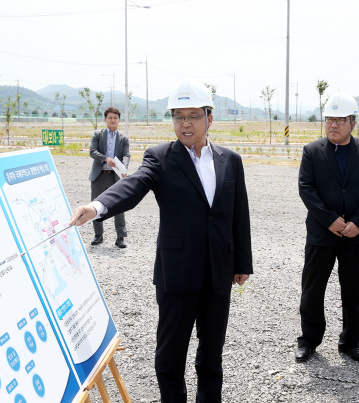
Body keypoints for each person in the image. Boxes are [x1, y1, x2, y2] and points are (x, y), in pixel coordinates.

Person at [70, 78, 253, 403]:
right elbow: (134, 184)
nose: (185, 123)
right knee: (170, 358)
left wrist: (242, 263)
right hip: (177, 274)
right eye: (178, 116)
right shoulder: (161, 157)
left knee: (211, 358)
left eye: (193, 115)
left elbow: (239, 214)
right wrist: (97, 206)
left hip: (218, 273)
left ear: (209, 118)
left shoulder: (230, 160)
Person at [295, 92, 359, 363]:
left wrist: (358, 222)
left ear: (352, 123)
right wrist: (329, 219)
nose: (333, 125)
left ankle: (351, 342)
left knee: (353, 292)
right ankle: (309, 340)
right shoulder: (312, 151)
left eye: (340, 120)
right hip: (322, 233)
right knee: (312, 290)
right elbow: (306, 189)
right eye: (330, 119)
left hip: (355, 235)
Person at [88, 106, 130, 248]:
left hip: (115, 177)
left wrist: (124, 167)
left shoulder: (123, 138)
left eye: (115, 118)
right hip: (99, 176)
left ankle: (120, 237)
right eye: (110, 117)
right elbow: (92, 151)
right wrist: (106, 159)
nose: (113, 120)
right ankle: (98, 235)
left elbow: (126, 155)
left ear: (119, 120)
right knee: (96, 206)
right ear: (105, 119)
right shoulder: (97, 135)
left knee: (118, 206)